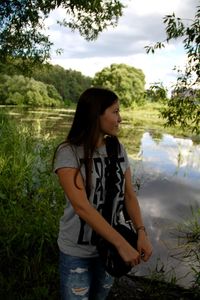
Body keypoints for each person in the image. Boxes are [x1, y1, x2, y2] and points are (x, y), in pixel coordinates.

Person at [53, 87, 152, 300]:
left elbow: (129, 196)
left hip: (108, 251)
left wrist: (141, 232)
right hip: (76, 253)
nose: (121, 118)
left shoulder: (117, 149)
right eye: (115, 112)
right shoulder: (68, 152)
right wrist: (122, 244)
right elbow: (82, 207)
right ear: (96, 114)